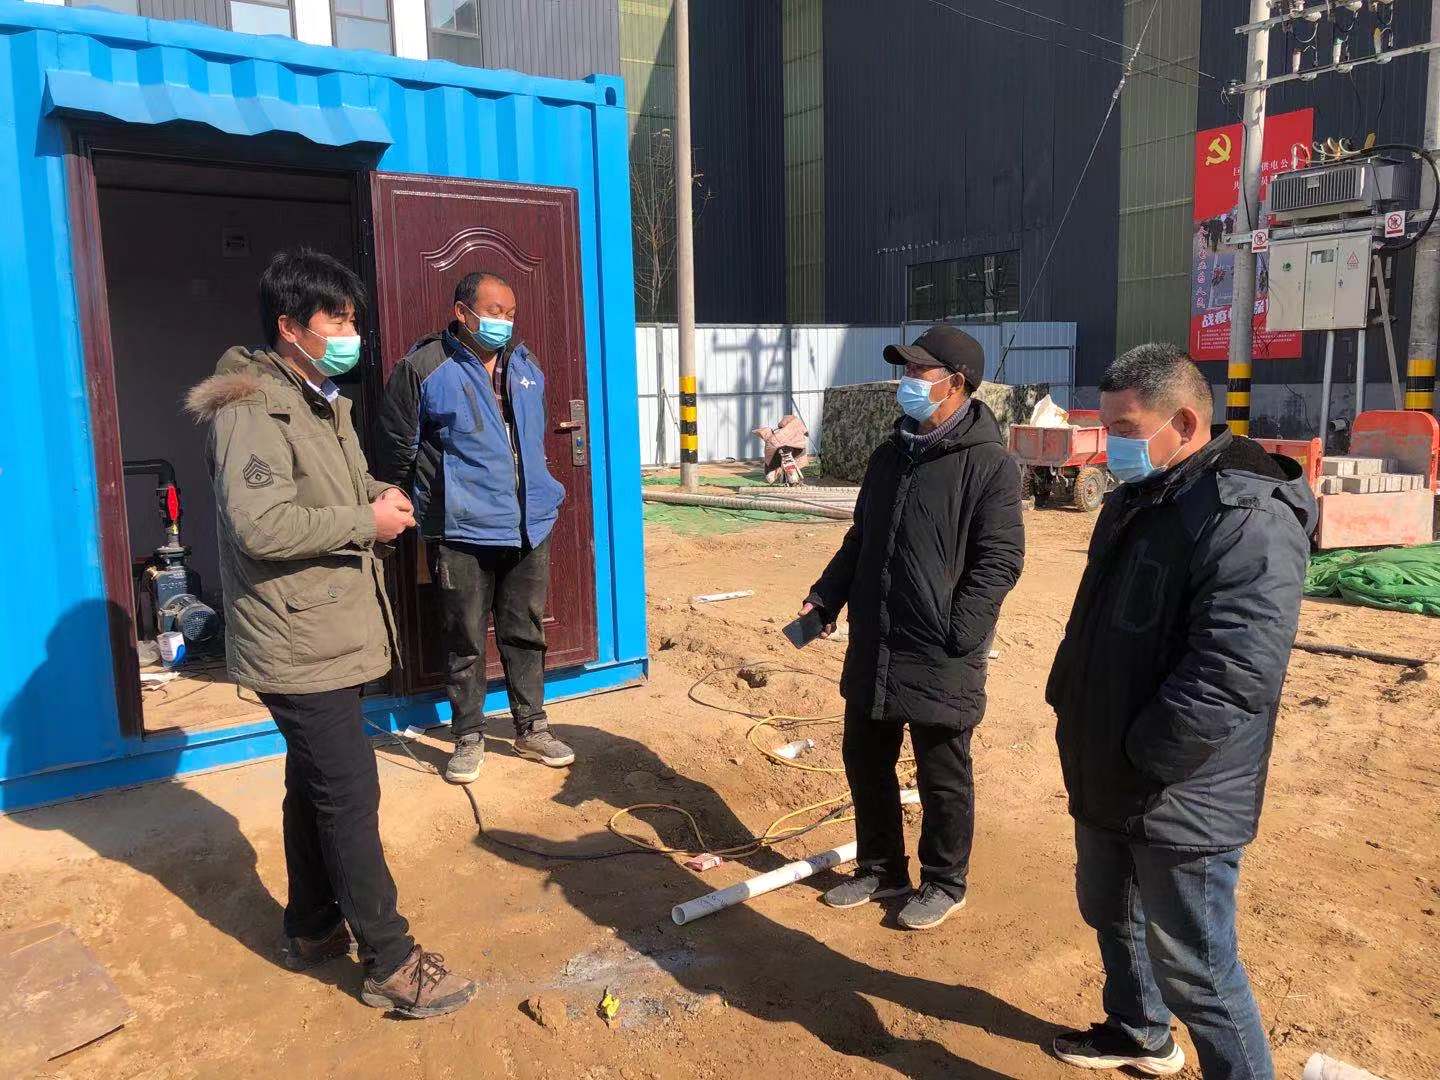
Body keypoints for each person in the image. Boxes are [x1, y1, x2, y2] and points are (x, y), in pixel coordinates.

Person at [185, 248, 478, 1019]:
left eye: (354, 319)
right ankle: (391, 961)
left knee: (310, 781)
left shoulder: (320, 399)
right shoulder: (252, 409)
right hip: (295, 637)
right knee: (349, 792)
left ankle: (314, 925)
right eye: (336, 321)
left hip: (326, 630)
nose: (351, 334)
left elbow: (334, 487)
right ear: (290, 327)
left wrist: (379, 492)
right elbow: (259, 525)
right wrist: (363, 522)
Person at [1046, 344, 1315, 1079]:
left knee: (1198, 969)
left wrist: (1147, 758)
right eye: (1106, 428)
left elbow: (1234, 670)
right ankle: (1139, 1031)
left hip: (1179, 788)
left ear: (1186, 422)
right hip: (1110, 765)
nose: (1112, 446)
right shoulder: (1142, 494)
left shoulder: (1246, 515)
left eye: (1125, 429)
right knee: (1111, 914)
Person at [802, 325, 1024, 930]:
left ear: (957, 384)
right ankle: (881, 868)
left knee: (941, 771)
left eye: (919, 371)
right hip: (876, 639)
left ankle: (945, 881)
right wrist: (825, 598)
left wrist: (961, 632)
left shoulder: (990, 465)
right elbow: (861, 540)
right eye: (906, 370)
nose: (907, 382)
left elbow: (1000, 560)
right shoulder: (889, 456)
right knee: (864, 758)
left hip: (941, 648)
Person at [377, 271, 572, 784]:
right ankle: (468, 735)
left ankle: (531, 727)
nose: (504, 321)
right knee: (464, 637)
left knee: (525, 630)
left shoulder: (525, 365)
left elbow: (529, 440)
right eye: (494, 311)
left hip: (528, 525)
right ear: (462, 312)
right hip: (461, 529)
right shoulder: (423, 368)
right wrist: (407, 508)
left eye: (511, 313)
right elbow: (396, 450)